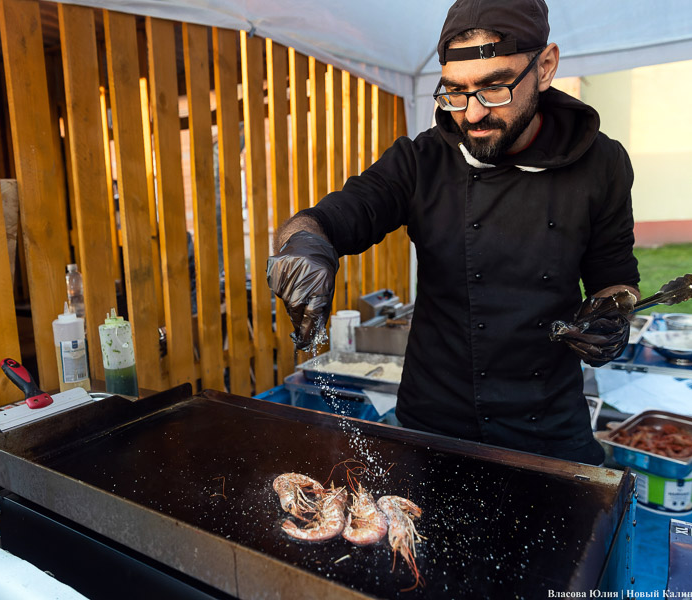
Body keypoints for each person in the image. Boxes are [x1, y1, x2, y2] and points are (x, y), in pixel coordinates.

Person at [266, 0, 640, 465]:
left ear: (544, 67)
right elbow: (335, 215)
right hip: (433, 419)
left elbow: (615, 275)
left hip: (546, 419)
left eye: (494, 88)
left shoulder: (601, 164)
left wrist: (612, 317)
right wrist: (304, 243)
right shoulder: (422, 160)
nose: (473, 114)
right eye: (455, 92)